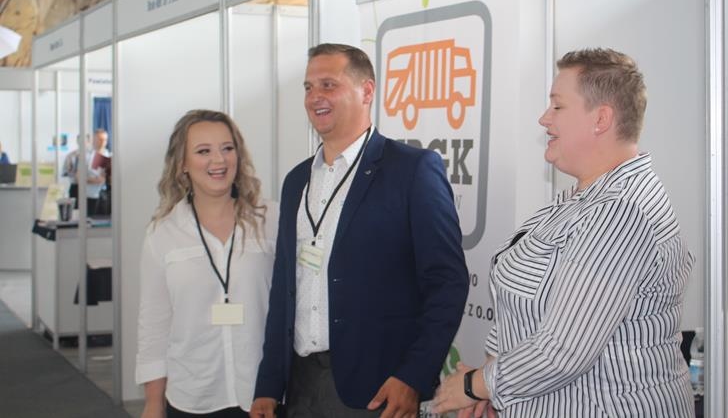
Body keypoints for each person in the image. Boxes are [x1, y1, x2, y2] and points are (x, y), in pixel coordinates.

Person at [432, 48, 695, 417]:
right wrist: (493, 389)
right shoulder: (581, 199)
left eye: (557, 106)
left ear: (601, 118)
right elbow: (520, 306)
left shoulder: (621, 212)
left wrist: (474, 385)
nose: (544, 118)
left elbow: (563, 352)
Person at [251, 43, 469, 418]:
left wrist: (414, 376)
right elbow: (285, 288)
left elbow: (447, 282)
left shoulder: (412, 170)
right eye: (308, 87)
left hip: (378, 389)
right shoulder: (296, 181)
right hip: (300, 386)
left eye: (328, 85)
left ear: (367, 91)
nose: (314, 97)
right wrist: (269, 385)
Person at [136, 110, 278, 418]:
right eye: (203, 151)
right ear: (182, 164)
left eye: (227, 148)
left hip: (263, 394)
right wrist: (153, 403)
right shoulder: (163, 234)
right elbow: (154, 324)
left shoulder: (270, 219)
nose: (219, 160)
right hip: (193, 395)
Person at [62, 130, 108, 214]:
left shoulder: (104, 155)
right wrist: (89, 179)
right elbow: (68, 173)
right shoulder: (73, 156)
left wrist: (88, 179)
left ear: (89, 141)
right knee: (78, 213)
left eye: (104, 140)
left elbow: (103, 178)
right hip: (78, 188)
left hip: (98, 192)